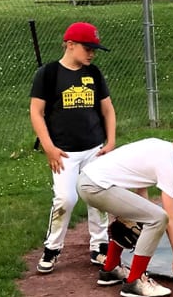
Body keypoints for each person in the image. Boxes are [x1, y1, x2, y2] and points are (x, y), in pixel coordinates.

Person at [80, 121, 173, 297]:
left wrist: (140, 221)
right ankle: (135, 282)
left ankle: (111, 270)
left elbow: (139, 189)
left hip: (88, 181)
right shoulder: (168, 164)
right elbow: (170, 217)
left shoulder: (157, 145)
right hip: (96, 186)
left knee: (146, 216)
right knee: (158, 217)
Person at [30, 21, 116, 274]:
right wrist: (49, 147)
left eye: (94, 49)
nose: (91, 53)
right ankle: (52, 247)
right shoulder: (49, 74)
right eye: (87, 48)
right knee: (65, 199)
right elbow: (36, 112)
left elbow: (107, 110)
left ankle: (99, 246)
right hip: (64, 151)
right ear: (70, 45)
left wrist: (110, 142)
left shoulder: (94, 74)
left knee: (98, 197)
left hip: (94, 148)